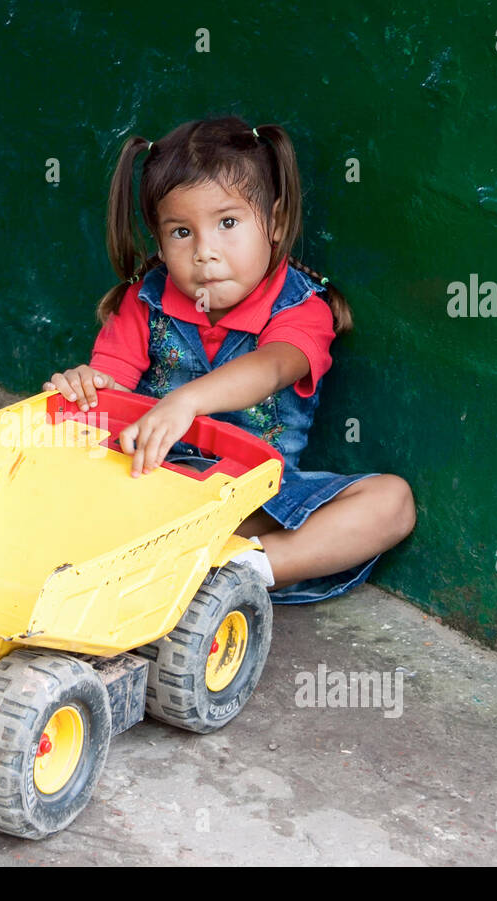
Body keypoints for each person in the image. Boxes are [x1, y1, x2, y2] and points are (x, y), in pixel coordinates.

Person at [42, 116, 415, 603]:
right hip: (150, 487)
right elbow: (109, 386)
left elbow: (273, 367)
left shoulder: (301, 310)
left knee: (392, 503)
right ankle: (158, 563)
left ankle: (233, 572)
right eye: (181, 232)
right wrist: (83, 387)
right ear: (157, 239)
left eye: (228, 223)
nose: (204, 253)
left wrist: (186, 402)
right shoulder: (144, 302)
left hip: (252, 500)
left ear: (276, 223)